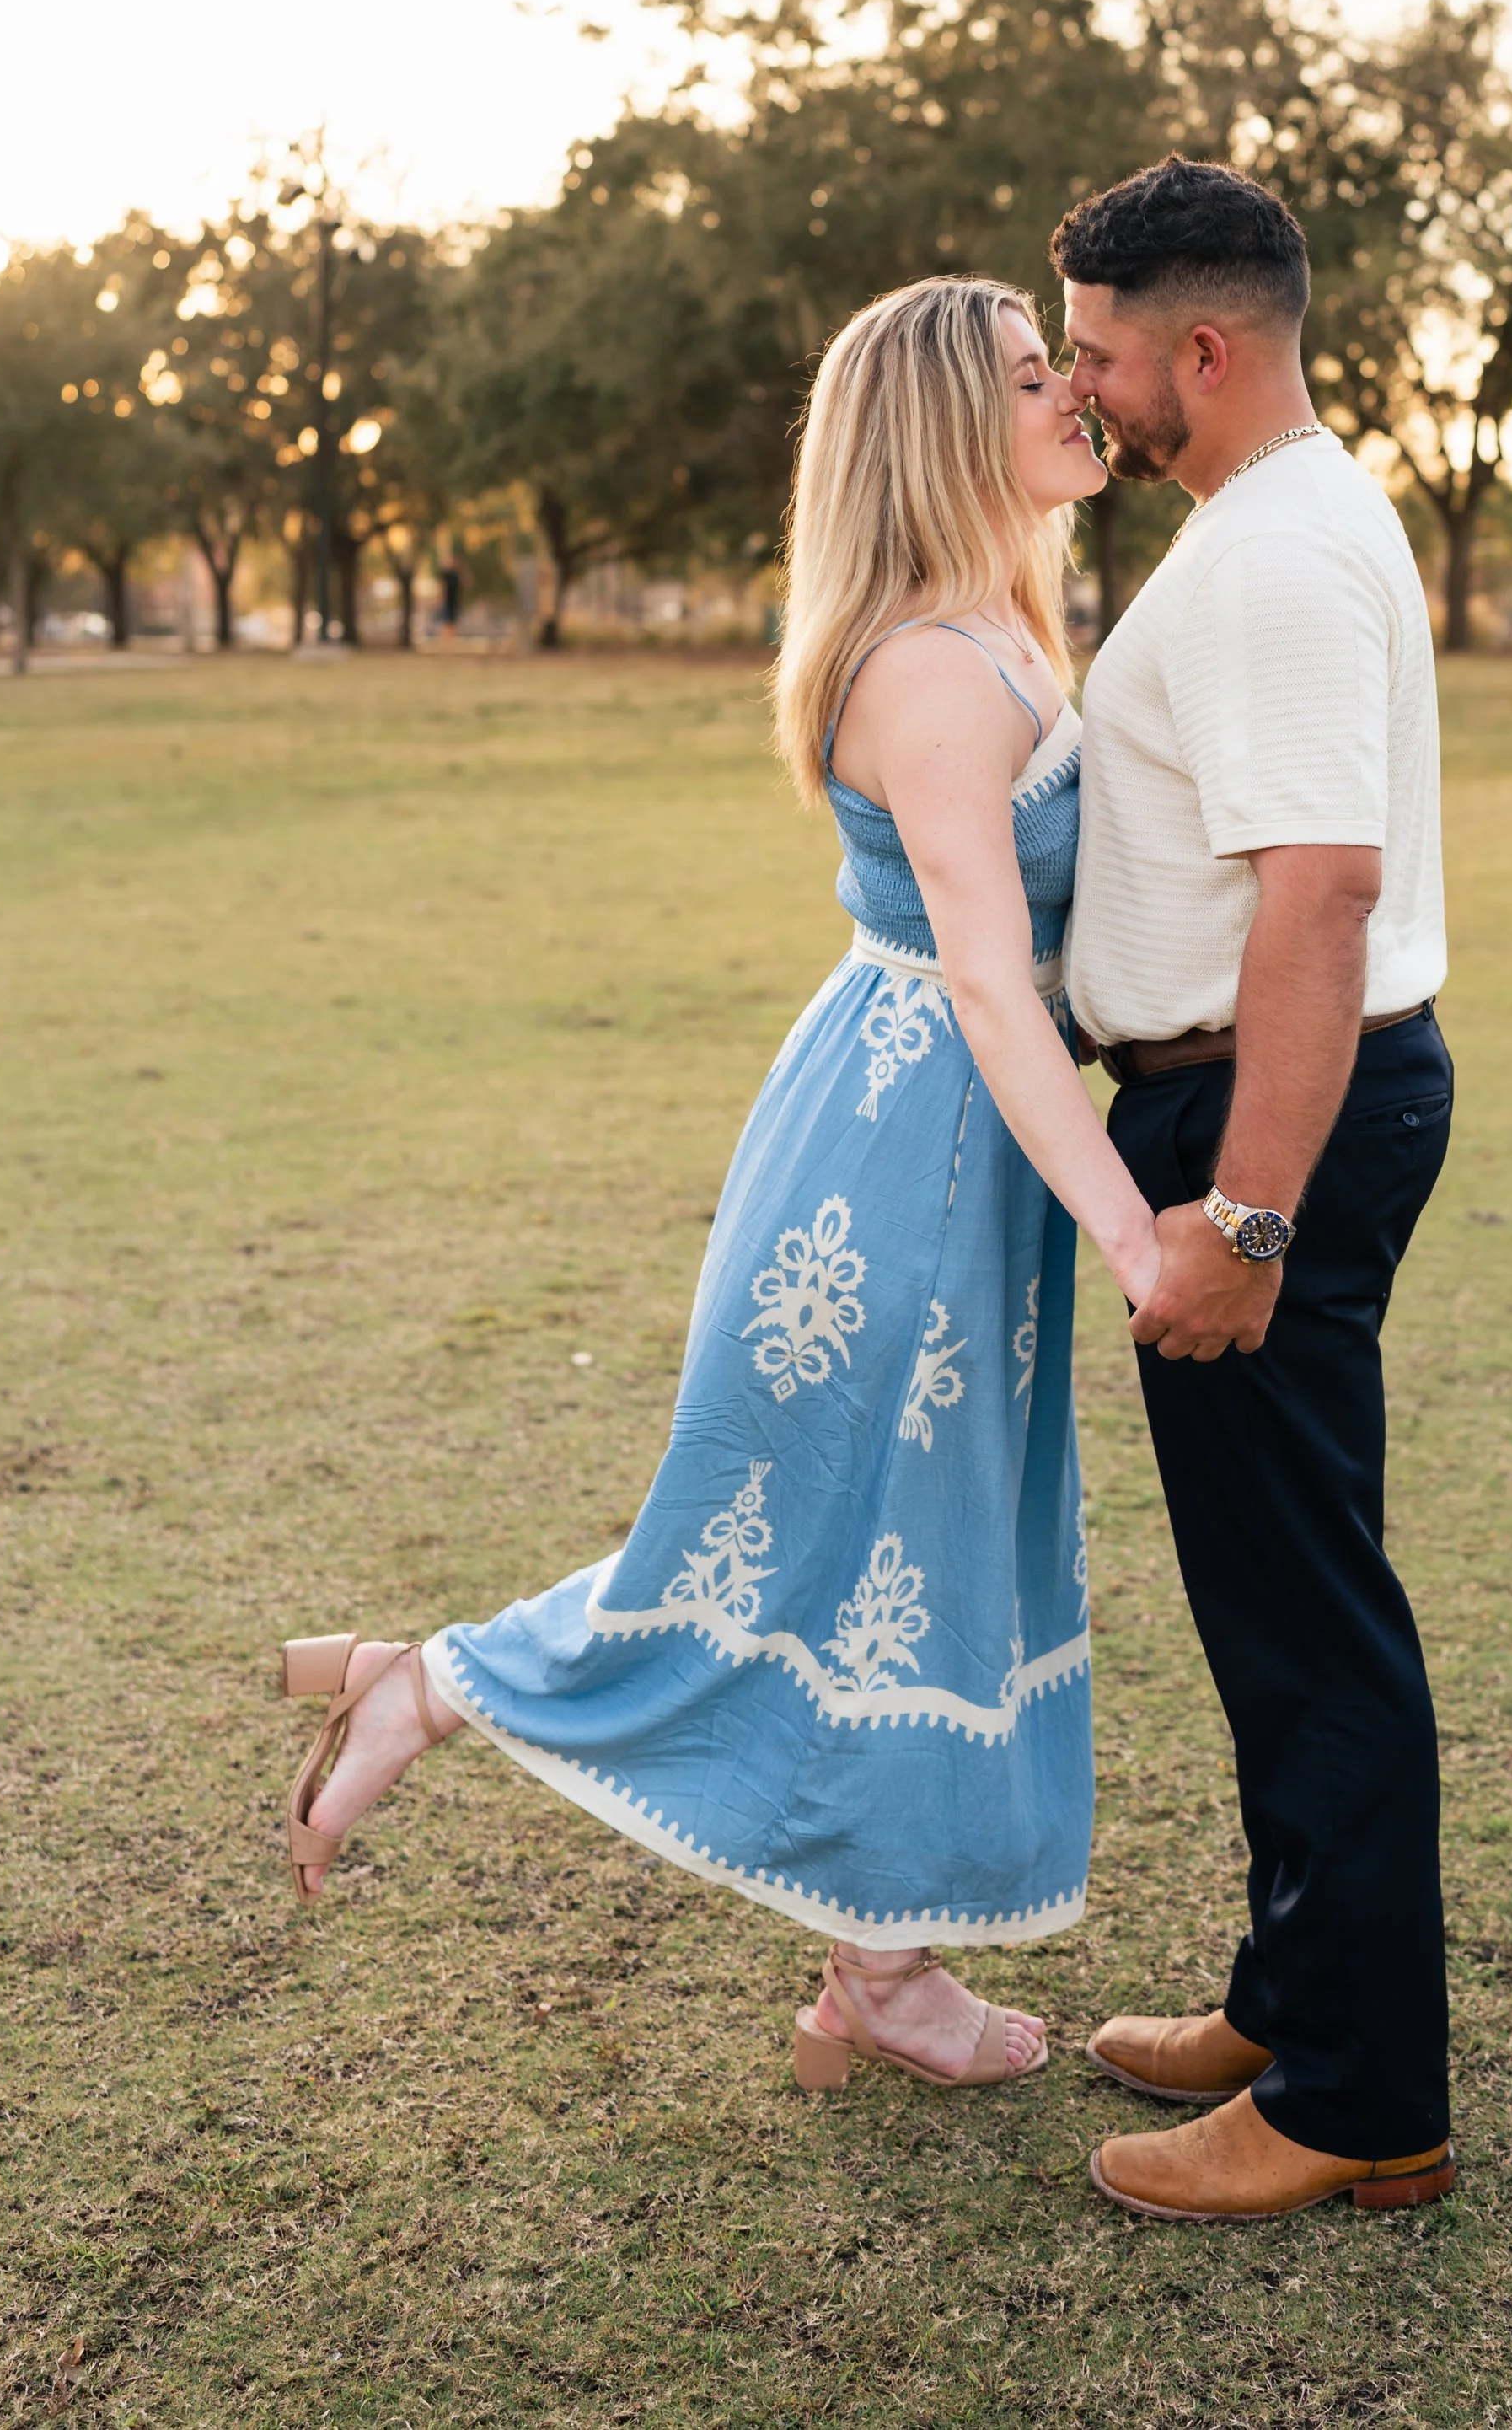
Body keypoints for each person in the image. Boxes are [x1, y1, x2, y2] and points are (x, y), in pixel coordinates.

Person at [278, 278, 1162, 2091]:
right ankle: (435, 1685)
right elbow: (993, 978)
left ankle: (875, 1970)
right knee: (808, 1535)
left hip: (947, 1135)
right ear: (936, 428)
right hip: (908, 1155)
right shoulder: (927, 669)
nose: (1073, 391)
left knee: (904, 1553)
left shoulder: (985, 628)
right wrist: (1131, 1225)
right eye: (1028, 374)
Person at [1055, 158, 1457, 2222]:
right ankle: (1294, 1999)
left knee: (1305, 1619)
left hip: (1265, 1133)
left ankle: (1358, 2101)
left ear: (1197, 349)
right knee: (1279, 1597)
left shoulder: (1277, 557)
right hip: (1241, 1115)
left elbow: (1320, 895)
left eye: (1100, 354)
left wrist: (1249, 1213)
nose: (1082, 390)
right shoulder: (1261, 529)